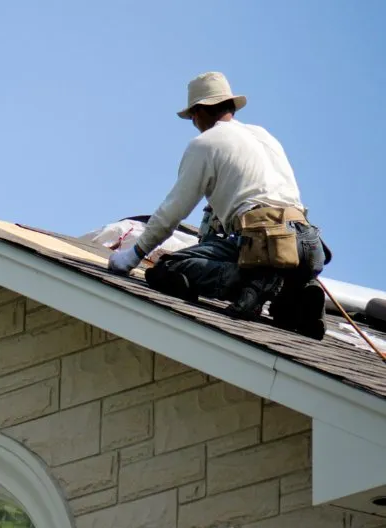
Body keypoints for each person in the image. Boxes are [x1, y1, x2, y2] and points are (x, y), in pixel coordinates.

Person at [107, 71, 331, 339]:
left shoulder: (206, 143)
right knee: (282, 304)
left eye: (192, 117)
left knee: (170, 269)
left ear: (199, 112)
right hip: (307, 244)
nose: (194, 123)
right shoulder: (263, 136)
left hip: (263, 243)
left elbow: (173, 211)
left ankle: (253, 284)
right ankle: (293, 296)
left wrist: (133, 256)